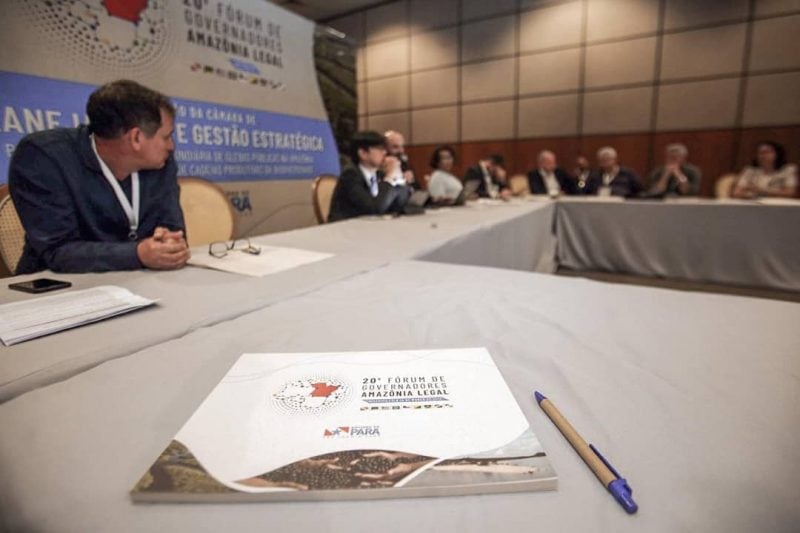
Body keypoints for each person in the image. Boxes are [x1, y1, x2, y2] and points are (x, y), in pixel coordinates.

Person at [9, 80, 188, 275]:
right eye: (166, 137)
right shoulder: (43, 157)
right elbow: (58, 251)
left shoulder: (160, 163)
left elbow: (173, 228)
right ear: (136, 138)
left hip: (140, 279)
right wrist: (137, 254)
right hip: (60, 284)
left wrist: (170, 244)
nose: (171, 146)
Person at [328, 130, 411, 222]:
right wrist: (389, 177)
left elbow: (400, 203)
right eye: (380, 149)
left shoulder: (379, 174)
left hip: (369, 225)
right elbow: (373, 209)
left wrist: (398, 176)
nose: (384, 153)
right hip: (345, 227)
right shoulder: (350, 175)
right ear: (363, 153)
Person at [731, 141, 798, 199]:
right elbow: (736, 192)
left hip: (779, 205)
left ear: (777, 154)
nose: (763, 156)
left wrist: (761, 191)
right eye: (760, 153)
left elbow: (790, 193)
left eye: (767, 152)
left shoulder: (788, 170)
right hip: (754, 203)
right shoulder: (749, 171)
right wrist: (748, 195)